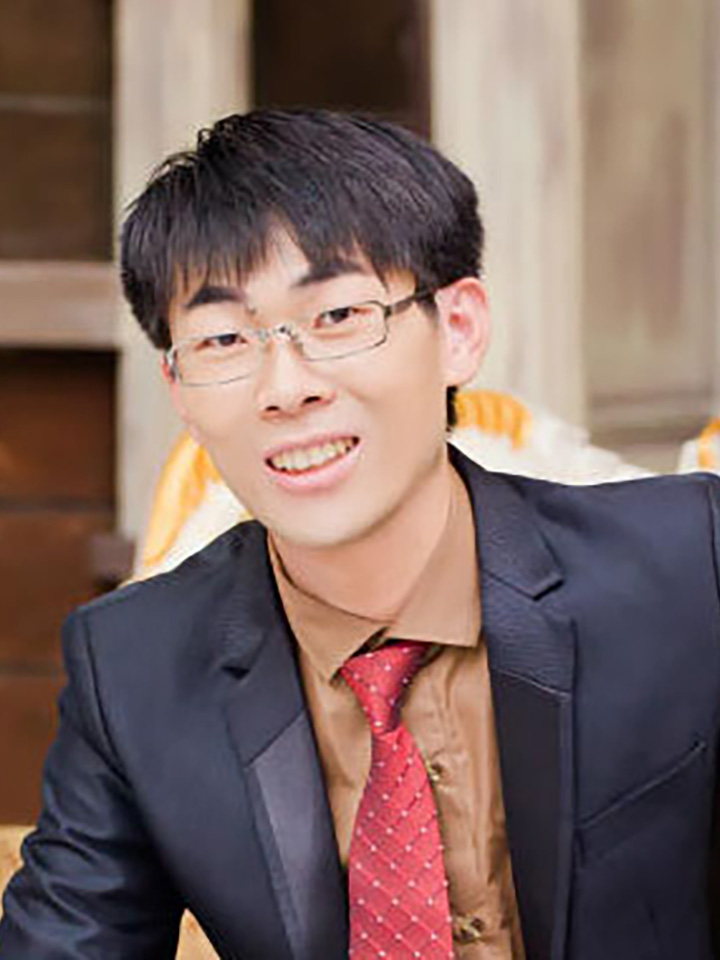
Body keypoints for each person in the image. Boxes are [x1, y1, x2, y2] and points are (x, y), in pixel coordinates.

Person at [1, 109, 719, 960]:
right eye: (224, 338)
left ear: (458, 331)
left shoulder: (691, 567)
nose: (285, 387)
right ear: (179, 388)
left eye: (338, 315)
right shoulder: (132, 668)